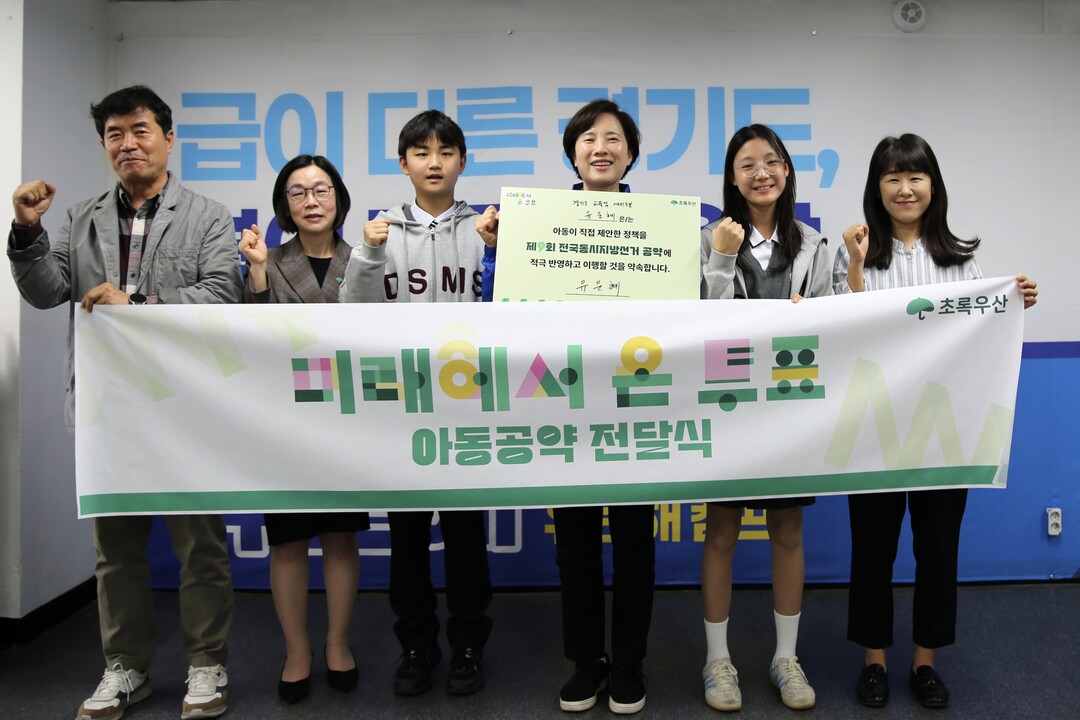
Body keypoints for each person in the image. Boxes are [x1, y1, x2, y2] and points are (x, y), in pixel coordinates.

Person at [7, 85, 240, 720]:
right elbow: (46, 290)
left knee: (199, 544)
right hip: (107, 406)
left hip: (184, 403)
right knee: (116, 551)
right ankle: (125, 666)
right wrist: (26, 230)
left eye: (140, 131)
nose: (128, 144)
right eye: (115, 134)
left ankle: (206, 662)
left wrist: (136, 304)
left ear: (168, 138)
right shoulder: (79, 216)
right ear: (105, 145)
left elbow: (222, 294)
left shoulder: (207, 215)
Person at [834, 133, 1038, 709]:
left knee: (938, 549)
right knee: (872, 549)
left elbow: (984, 330)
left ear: (933, 185)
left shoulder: (961, 258)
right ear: (877, 187)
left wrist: (1014, 300)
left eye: (915, 177)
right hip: (874, 425)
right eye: (893, 178)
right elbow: (843, 327)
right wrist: (855, 264)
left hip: (943, 426)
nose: (905, 189)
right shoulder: (854, 253)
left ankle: (925, 663)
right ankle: (874, 662)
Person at [478, 99, 655, 715]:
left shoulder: (658, 227)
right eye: (587, 139)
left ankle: (629, 662)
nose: (600, 148)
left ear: (630, 155)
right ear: (572, 154)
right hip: (565, 402)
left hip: (636, 403)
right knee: (574, 546)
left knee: (634, 544)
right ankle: (587, 662)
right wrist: (497, 252)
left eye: (613, 139)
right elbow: (504, 308)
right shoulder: (540, 224)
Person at [339, 109, 496, 697]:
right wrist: (367, 253)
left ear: (462, 162)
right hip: (401, 406)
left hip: (467, 405)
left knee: (465, 535)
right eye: (422, 153)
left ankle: (469, 644)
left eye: (446, 152)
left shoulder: (485, 229)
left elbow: (513, 312)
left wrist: (499, 252)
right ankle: (415, 644)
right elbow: (352, 315)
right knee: (406, 536)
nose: (435, 163)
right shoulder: (382, 231)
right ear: (403, 163)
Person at [698, 124, 831, 712]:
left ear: (787, 171)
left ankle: (786, 658)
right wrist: (723, 258)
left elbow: (834, 321)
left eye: (772, 161)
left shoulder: (814, 244)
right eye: (748, 165)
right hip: (726, 405)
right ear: (732, 178)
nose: (761, 173)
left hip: (787, 406)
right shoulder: (707, 240)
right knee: (721, 531)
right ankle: (716, 660)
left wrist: (812, 314)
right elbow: (696, 321)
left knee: (788, 531)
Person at [237, 155, 369, 704]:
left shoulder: (365, 259)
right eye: (298, 192)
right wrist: (257, 274)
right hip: (286, 423)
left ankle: (338, 643)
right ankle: (297, 650)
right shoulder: (268, 260)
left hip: (346, 421)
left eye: (321, 189)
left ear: (338, 197)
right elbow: (251, 338)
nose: (311, 201)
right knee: (289, 542)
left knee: (340, 537)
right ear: (284, 205)